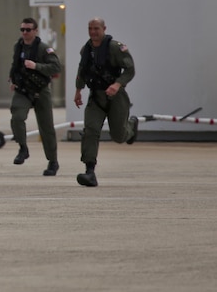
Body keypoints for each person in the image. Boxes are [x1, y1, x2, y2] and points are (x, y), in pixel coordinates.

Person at [73, 17, 138, 187]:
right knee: (90, 131)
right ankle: (90, 171)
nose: (93, 32)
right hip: (96, 97)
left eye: (96, 28)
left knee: (118, 136)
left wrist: (118, 84)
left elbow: (130, 69)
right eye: (90, 28)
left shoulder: (115, 48)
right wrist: (78, 90)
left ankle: (131, 127)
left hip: (116, 97)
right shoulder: (86, 50)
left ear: (104, 29)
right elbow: (82, 70)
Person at [8, 17, 62, 176]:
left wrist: (36, 66)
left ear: (35, 31)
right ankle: (23, 148)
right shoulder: (18, 47)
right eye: (22, 29)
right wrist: (12, 79)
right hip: (23, 90)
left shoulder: (44, 49)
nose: (25, 32)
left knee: (47, 128)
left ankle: (53, 161)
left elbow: (56, 67)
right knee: (17, 117)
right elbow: (14, 65)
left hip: (40, 90)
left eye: (28, 30)